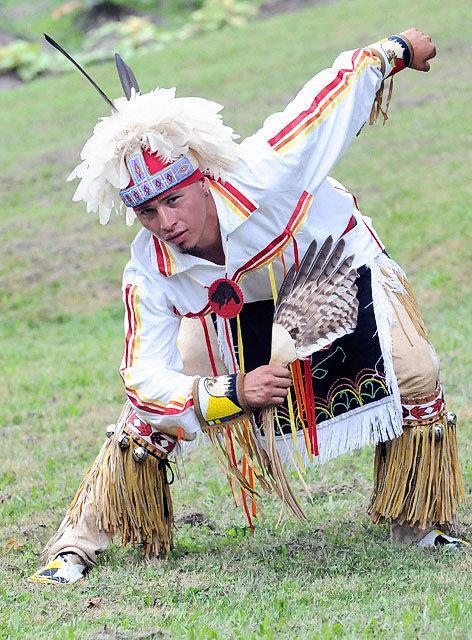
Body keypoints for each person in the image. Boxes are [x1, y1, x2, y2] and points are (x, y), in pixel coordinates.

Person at [29, 28, 465, 586]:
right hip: (224, 316)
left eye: (174, 200)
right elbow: (141, 374)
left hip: (325, 269)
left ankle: (417, 521)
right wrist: (227, 393)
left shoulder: (262, 172)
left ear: (201, 180)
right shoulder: (150, 270)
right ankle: (76, 547)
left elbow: (325, 99)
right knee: (148, 416)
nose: (168, 224)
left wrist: (395, 52)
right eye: (148, 214)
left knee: (415, 371)